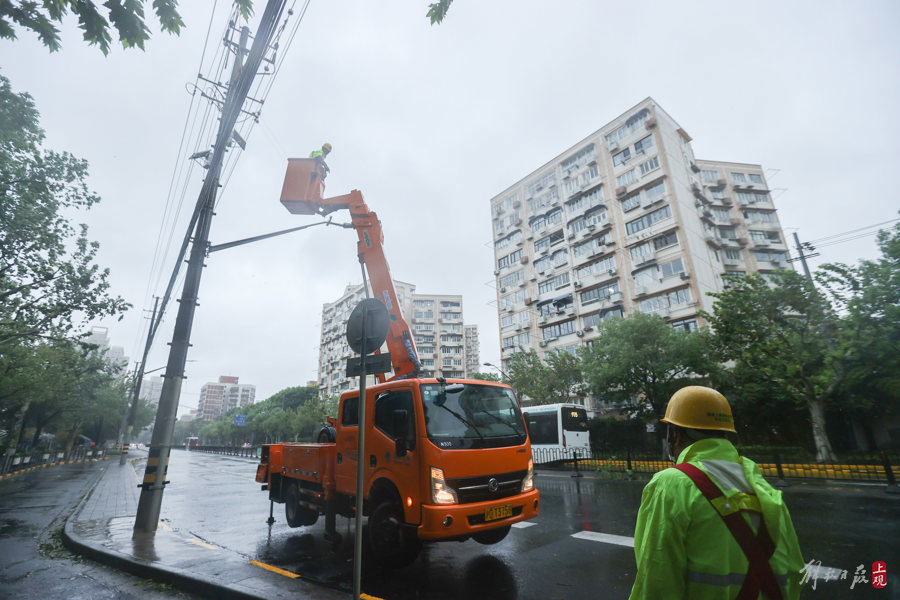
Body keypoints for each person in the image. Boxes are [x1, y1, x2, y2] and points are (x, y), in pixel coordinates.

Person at [629, 386, 804, 600]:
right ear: (724, 431)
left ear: (675, 434)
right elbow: (795, 571)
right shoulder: (761, 486)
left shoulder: (671, 484)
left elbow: (657, 580)